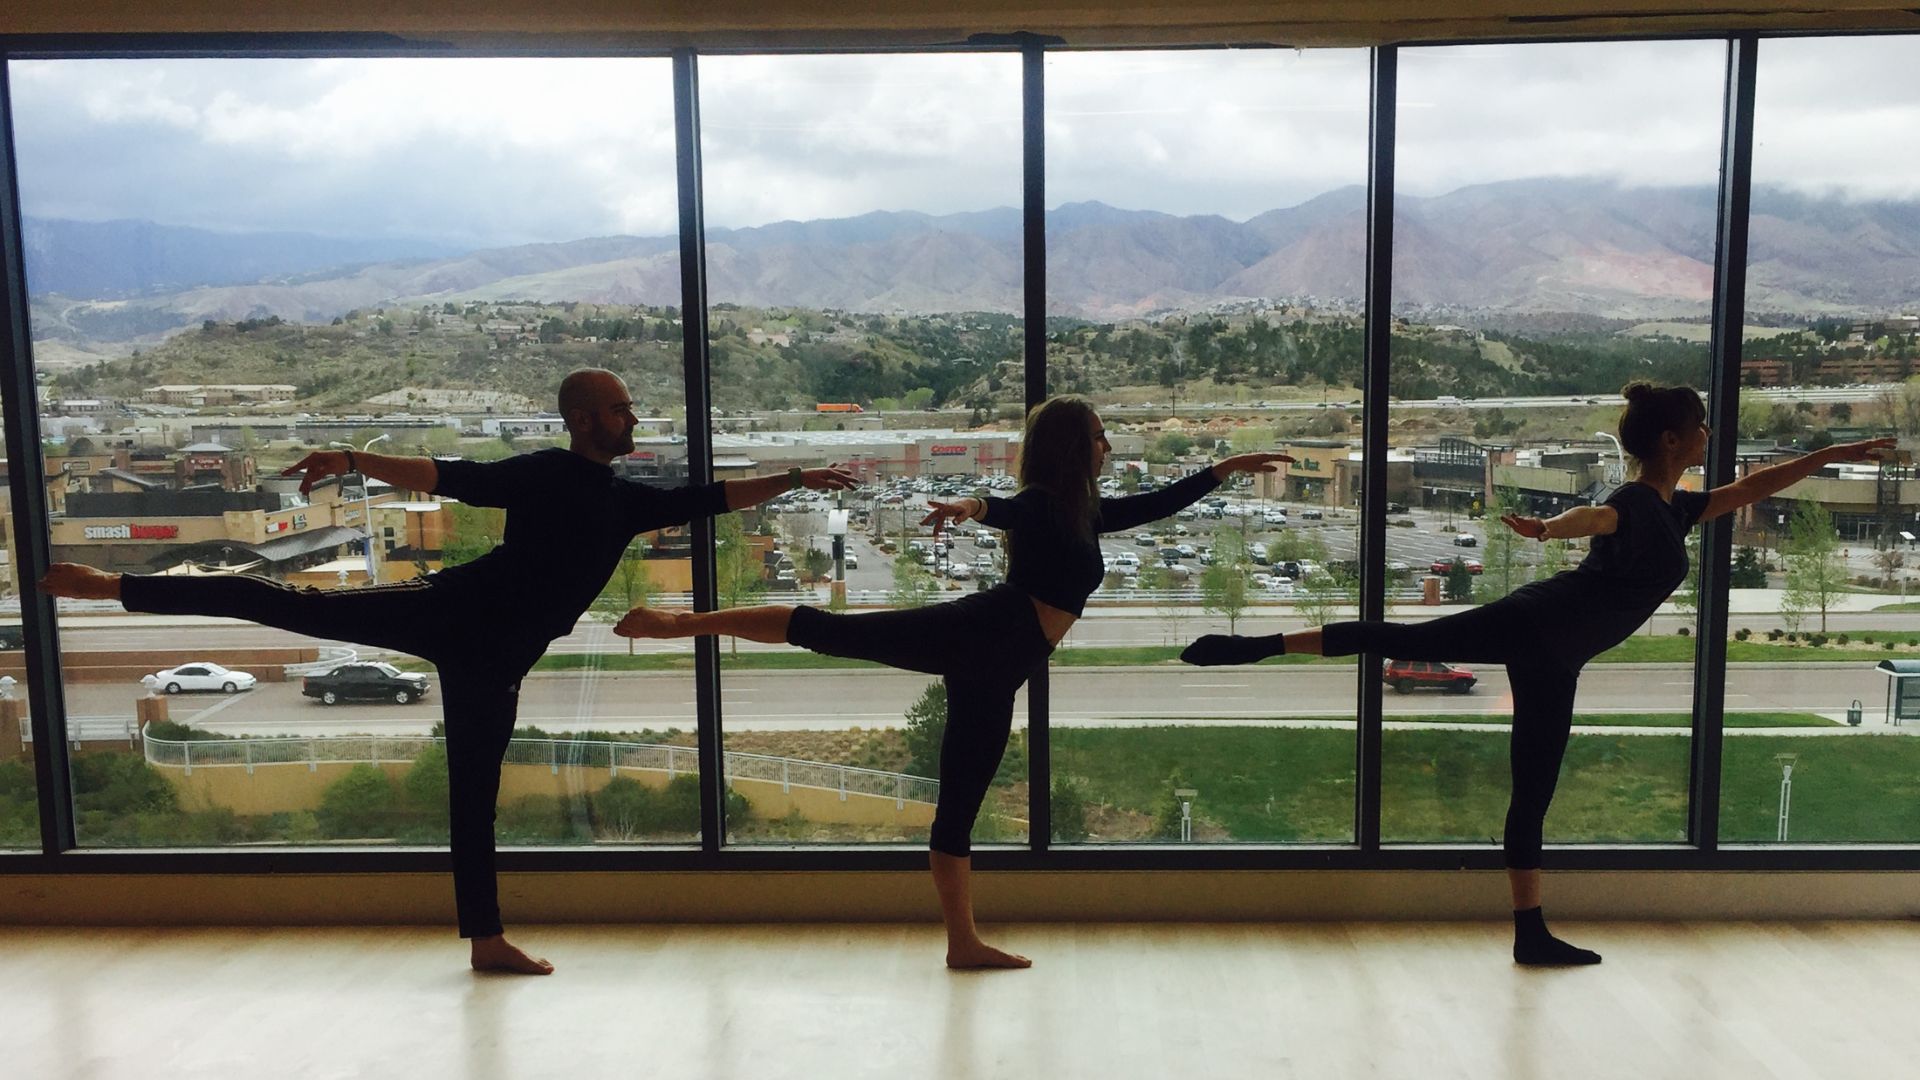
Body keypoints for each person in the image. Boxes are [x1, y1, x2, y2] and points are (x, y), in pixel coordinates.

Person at [38, 368, 856, 976]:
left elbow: (715, 496)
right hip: (449, 608)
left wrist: (794, 477)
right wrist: (355, 456)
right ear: (582, 419)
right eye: (617, 407)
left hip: (497, 658)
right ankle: (113, 585)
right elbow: (444, 479)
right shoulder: (540, 472)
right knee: (284, 603)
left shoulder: (628, 500)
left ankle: (488, 941)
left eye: (628, 407)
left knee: (475, 794)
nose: (630, 416)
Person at [1181, 381, 1895, 965]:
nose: (1709, 434)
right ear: (1672, 439)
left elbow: (1756, 484)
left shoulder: (1679, 508)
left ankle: (1530, 934)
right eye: (1701, 426)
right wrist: (1550, 531)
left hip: (1561, 658)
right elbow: (1595, 517)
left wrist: (1831, 453)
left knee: (1534, 792)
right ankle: (1256, 646)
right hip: (1537, 623)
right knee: (1401, 636)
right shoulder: (1634, 502)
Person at [616, 395, 1290, 969]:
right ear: (1070, 445)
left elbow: (1159, 502)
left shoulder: (1084, 510)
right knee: (834, 632)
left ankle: (962, 942)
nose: (1108, 445)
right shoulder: (1043, 501)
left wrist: (1225, 467)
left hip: (1001, 669)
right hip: (987, 633)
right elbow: (1003, 507)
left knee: (961, 800)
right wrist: (970, 506)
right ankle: (681, 625)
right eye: (1098, 436)